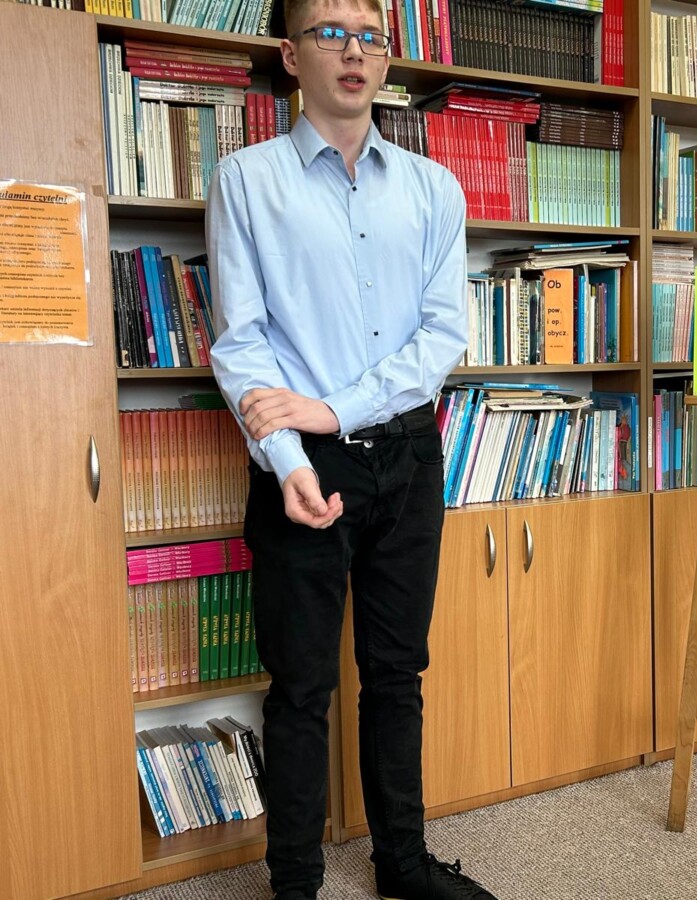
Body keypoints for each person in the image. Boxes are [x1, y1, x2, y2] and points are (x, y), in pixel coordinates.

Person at [206, 1, 497, 897]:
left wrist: (334, 408)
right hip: (301, 466)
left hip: (407, 458)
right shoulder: (246, 179)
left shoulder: (434, 188)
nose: (353, 51)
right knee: (299, 687)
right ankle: (294, 879)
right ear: (291, 55)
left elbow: (443, 336)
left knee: (397, 674)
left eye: (370, 36)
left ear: (387, 59)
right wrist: (294, 459)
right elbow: (241, 345)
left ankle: (401, 862)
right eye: (330, 32)